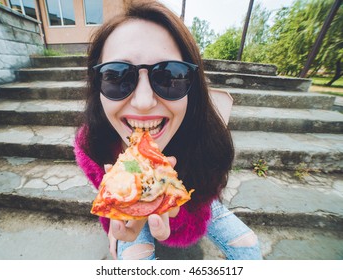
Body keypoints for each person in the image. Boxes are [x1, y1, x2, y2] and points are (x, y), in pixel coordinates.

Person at [74, 0, 262, 260]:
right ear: (98, 87)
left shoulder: (207, 140)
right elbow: (109, 208)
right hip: (131, 206)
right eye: (117, 76)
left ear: (191, 88)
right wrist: (118, 217)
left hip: (194, 200)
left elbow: (193, 222)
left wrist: (173, 210)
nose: (143, 103)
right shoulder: (92, 143)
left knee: (249, 248)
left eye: (169, 76)